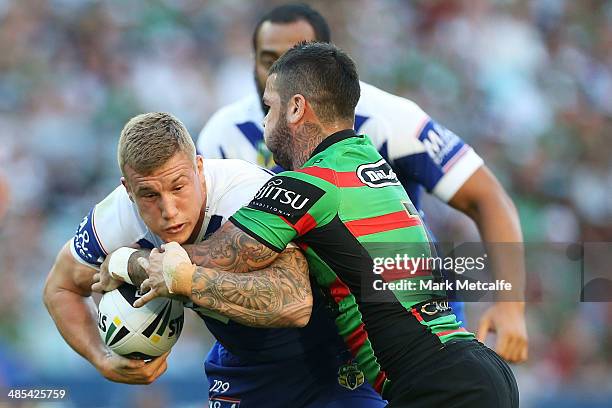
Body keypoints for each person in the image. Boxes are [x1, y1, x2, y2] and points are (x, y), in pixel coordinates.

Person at [136, 42, 519, 407]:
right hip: (474, 371)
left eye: (269, 108)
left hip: (440, 381)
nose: (264, 124)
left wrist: (135, 262)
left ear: (296, 108)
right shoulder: (370, 164)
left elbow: (221, 255)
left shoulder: (311, 184)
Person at [197, 3, 527, 364]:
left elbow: (486, 197)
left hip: (404, 325)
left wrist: (511, 306)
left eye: (295, 58)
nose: (280, 73)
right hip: (296, 331)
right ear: (252, 61)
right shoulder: (224, 136)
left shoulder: (388, 118)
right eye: (268, 59)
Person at [44, 112, 386, 407]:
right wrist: (101, 359)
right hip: (241, 367)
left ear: (199, 167)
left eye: (178, 187)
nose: (168, 210)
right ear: (128, 189)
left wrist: (156, 270)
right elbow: (60, 288)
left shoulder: (246, 193)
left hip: (329, 361)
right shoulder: (116, 216)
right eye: (149, 195)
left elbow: (295, 303)